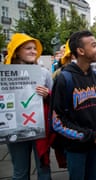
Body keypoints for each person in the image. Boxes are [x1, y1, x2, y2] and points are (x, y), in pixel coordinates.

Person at [51, 30, 96, 180]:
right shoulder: (64, 78)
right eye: (93, 45)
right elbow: (57, 122)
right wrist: (90, 136)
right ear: (80, 51)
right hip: (76, 148)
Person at [5, 33, 53, 180]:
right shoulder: (5, 74)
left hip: (39, 127)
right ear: (17, 51)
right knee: (20, 171)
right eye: (28, 48)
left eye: (34, 48)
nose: (33, 51)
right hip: (14, 127)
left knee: (44, 169)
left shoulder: (44, 72)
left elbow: (55, 98)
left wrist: (47, 95)